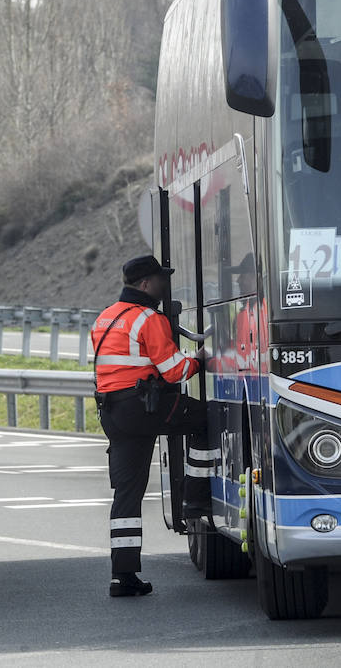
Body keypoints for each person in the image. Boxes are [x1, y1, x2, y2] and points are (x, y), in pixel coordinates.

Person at [92, 254, 212, 598]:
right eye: (160, 279)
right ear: (145, 284)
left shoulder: (105, 318)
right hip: (145, 407)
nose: (164, 284)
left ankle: (123, 576)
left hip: (112, 414)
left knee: (127, 496)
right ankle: (196, 500)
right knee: (206, 419)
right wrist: (200, 359)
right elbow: (176, 372)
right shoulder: (149, 319)